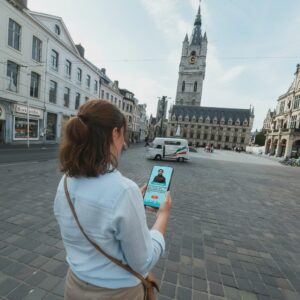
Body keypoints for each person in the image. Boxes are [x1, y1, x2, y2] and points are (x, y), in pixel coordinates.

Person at [54, 100, 172, 300]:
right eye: (123, 135)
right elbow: (143, 262)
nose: (124, 143)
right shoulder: (124, 191)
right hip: (116, 294)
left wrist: (133, 202)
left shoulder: (65, 182)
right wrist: (163, 215)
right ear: (115, 133)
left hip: (74, 286)